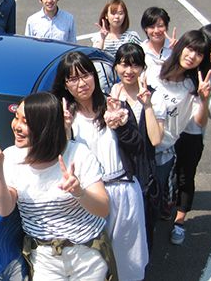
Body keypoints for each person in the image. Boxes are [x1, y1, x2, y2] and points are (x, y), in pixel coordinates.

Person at [0, 92, 111, 280]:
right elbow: (3, 208)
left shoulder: (78, 154)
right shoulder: (11, 157)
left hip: (87, 254)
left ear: (46, 127)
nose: (17, 127)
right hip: (44, 258)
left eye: (26, 122)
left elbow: (103, 208)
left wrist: (79, 192)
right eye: (17, 118)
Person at [52, 51, 148, 281]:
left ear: (94, 76)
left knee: (129, 261)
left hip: (124, 191)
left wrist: (122, 126)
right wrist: (64, 129)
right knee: (93, 263)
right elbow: (60, 160)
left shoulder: (114, 105)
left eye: (85, 75)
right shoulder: (66, 116)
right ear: (65, 84)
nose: (81, 83)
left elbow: (139, 149)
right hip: (89, 195)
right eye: (72, 78)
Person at [111, 43, 166, 251]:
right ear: (116, 66)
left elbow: (155, 139)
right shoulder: (112, 94)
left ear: (143, 68)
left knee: (144, 226)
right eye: (124, 64)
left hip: (144, 170)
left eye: (135, 65)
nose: (129, 71)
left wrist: (147, 105)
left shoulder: (154, 96)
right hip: (118, 169)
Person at [170, 24, 211, 244]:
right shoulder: (187, 65)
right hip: (170, 130)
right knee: (167, 172)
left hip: (191, 134)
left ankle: (179, 221)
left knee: (185, 175)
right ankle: (167, 205)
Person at [140, 7, 176, 81]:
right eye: (151, 27)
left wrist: (180, 50)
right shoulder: (140, 50)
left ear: (166, 27)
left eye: (160, 26)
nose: (156, 31)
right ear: (145, 28)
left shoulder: (175, 48)